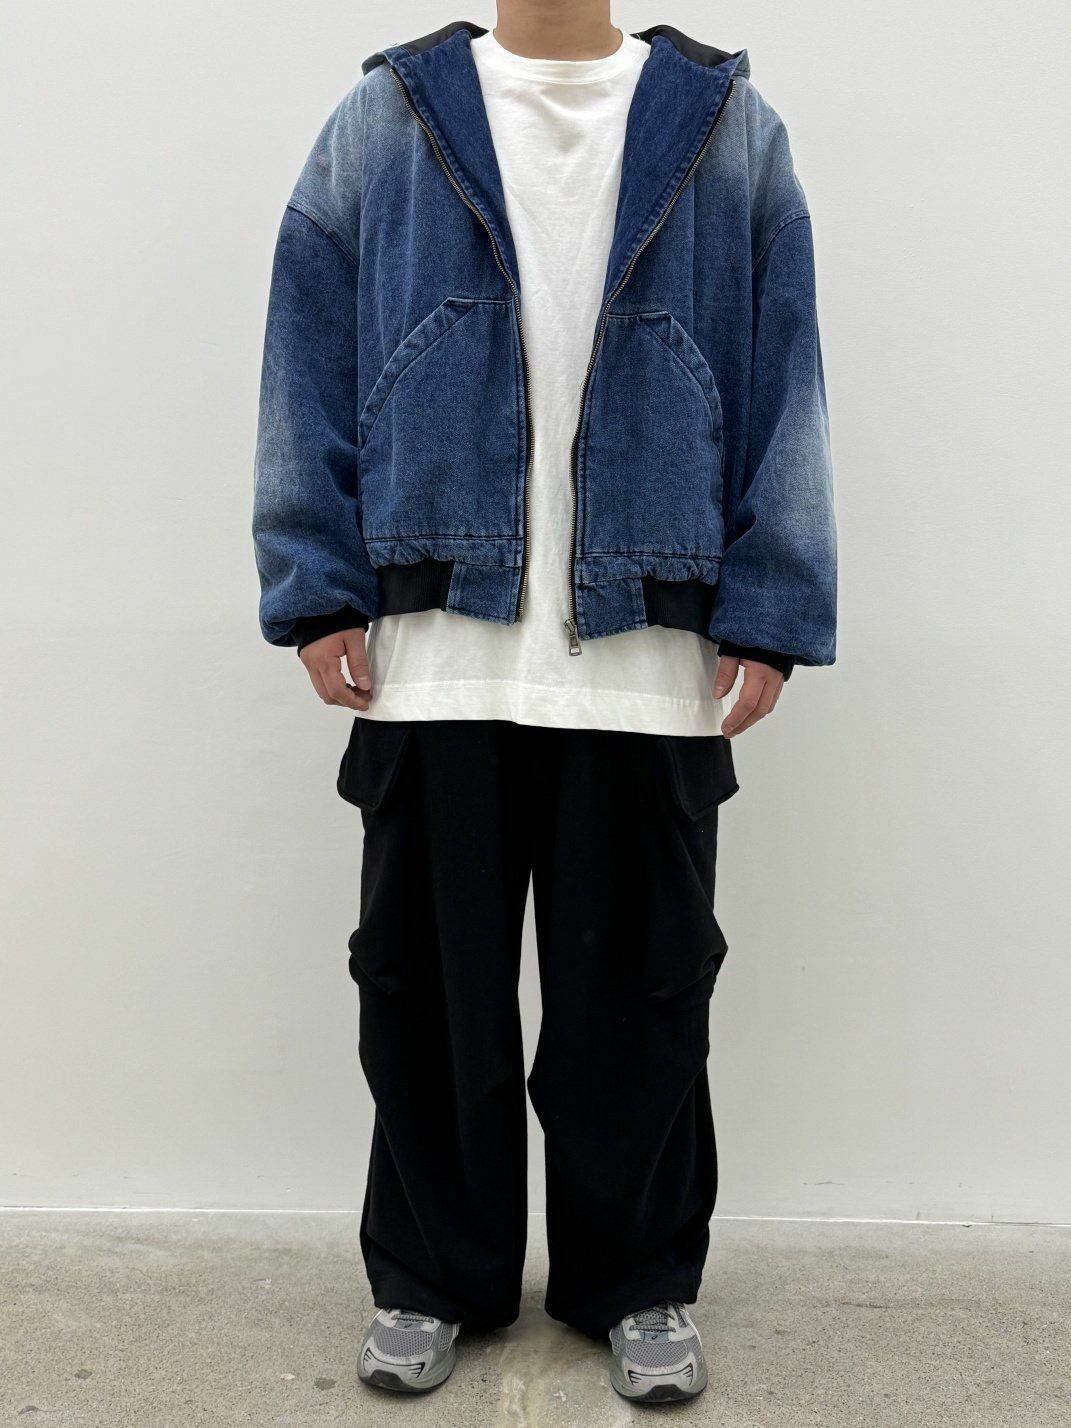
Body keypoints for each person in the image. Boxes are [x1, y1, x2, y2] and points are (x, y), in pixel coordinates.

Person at [252, 0, 835, 1404]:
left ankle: (635, 1280)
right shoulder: (387, 117)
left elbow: (789, 370)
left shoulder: (728, 129)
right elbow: (305, 351)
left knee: (644, 998)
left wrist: (772, 600)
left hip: (647, 649)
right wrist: (316, 583)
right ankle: (430, 1277)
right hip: (434, 646)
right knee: (425, 996)